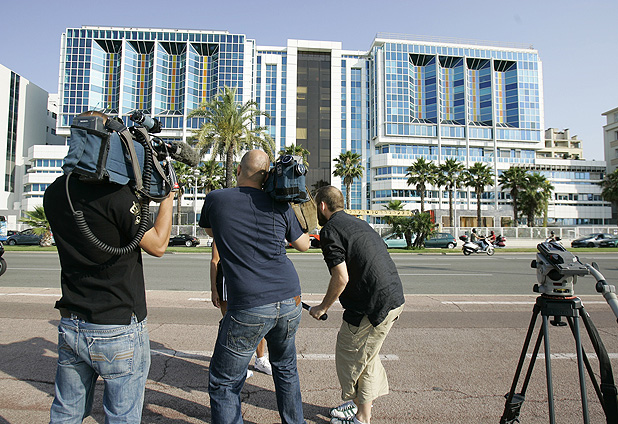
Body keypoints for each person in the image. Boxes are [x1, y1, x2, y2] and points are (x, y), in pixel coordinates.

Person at [44, 154, 174, 421]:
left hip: (73, 321)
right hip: (118, 324)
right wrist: (169, 196)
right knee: (121, 415)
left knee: (66, 412)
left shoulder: (56, 191)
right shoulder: (116, 194)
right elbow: (158, 245)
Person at [199, 149, 310, 424]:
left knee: (225, 382)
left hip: (249, 303)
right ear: (267, 176)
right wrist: (293, 201)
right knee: (286, 369)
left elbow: (212, 231)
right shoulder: (279, 205)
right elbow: (304, 245)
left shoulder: (216, 199)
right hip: (290, 298)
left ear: (238, 169)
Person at [309, 186, 405, 424]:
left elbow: (341, 277)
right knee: (367, 358)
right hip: (392, 298)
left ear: (322, 206)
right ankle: (360, 408)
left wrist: (322, 308)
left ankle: (361, 417)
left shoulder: (330, 230)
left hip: (372, 307)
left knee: (350, 356)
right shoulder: (358, 223)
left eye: (316, 206)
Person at [210, 242, 272, 376]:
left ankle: (260, 359)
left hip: (248, 280)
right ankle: (235, 366)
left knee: (258, 320)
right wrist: (214, 289)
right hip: (227, 281)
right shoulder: (220, 232)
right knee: (231, 326)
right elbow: (214, 261)